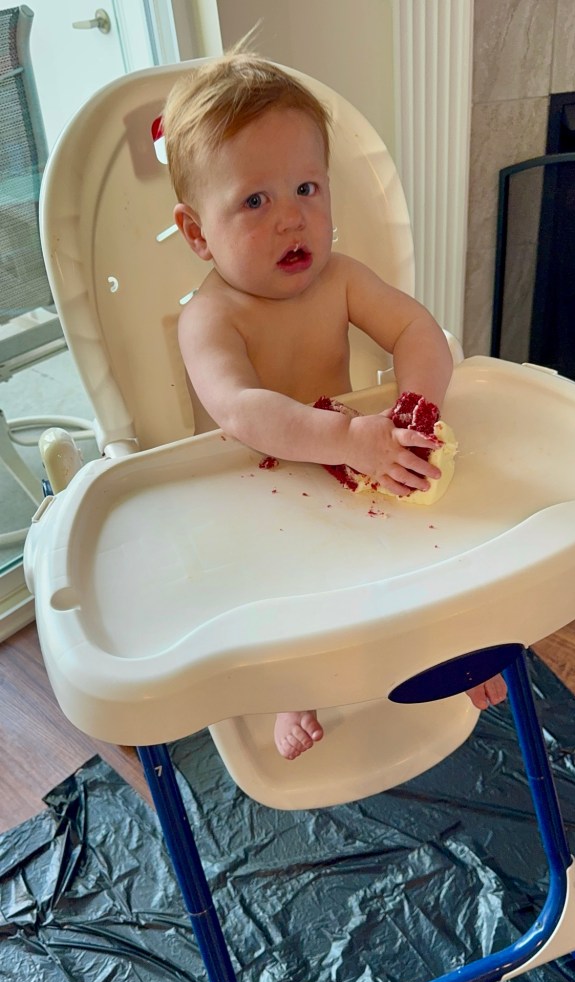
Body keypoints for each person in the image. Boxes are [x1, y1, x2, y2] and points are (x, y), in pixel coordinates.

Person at [162, 47, 507, 760]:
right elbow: (240, 409)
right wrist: (347, 440)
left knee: (429, 539)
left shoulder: (340, 279)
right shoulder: (210, 318)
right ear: (197, 233)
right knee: (278, 585)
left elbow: (418, 330)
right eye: (255, 201)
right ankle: (297, 685)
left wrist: (415, 410)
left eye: (306, 189)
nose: (292, 219)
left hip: (351, 466)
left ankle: (453, 645)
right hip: (265, 493)